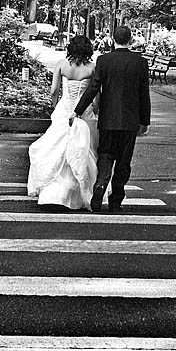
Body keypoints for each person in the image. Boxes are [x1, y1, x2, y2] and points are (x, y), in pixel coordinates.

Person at [70, 25, 151, 213]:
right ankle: (116, 199)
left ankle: (99, 187)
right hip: (130, 120)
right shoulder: (140, 62)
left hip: (108, 119)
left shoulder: (104, 60)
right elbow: (143, 94)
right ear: (130, 40)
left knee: (105, 155)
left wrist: (78, 110)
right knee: (124, 161)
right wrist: (144, 121)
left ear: (113, 39)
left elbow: (93, 88)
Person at [27, 36, 100, 210]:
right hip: (84, 112)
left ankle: (53, 193)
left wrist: (56, 107)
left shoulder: (61, 64)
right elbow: (96, 94)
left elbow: (54, 91)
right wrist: (95, 110)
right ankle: (76, 194)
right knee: (83, 150)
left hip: (64, 110)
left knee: (57, 149)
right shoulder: (92, 68)